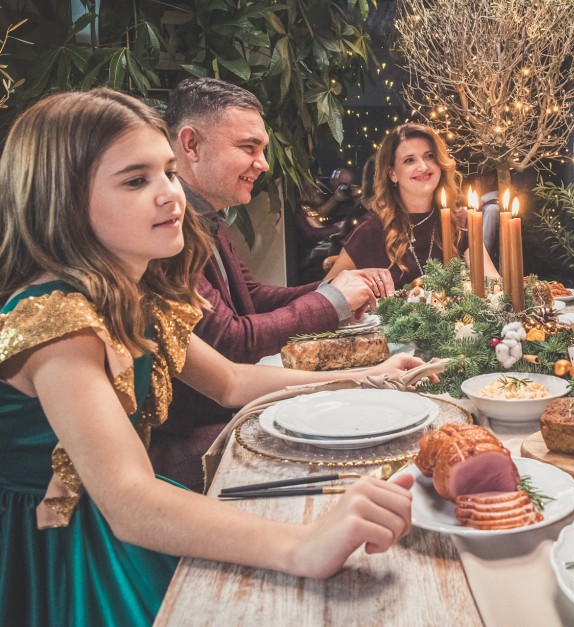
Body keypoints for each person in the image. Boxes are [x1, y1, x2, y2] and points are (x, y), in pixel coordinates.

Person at [0, 89, 423, 626]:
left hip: (119, 519)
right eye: (136, 180)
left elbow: (229, 382)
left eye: (168, 172)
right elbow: (128, 501)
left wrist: (370, 378)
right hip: (64, 552)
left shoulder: (136, 296)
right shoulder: (58, 322)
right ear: (61, 197)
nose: (169, 194)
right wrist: (301, 544)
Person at [156, 78, 396, 489]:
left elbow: (254, 299)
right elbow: (230, 341)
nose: (264, 163)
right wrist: (333, 301)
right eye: (248, 148)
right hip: (195, 436)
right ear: (191, 145)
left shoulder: (209, 218)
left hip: (226, 410)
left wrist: (336, 286)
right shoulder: (168, 233)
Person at [325, 123, 500, 289]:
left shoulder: (461, 222)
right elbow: (328, 291)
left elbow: (493, 285)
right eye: (409, 160)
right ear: (392, 173)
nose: (423, 167)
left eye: (429, 156)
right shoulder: (373, 229)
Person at [296, 167, 366, 282]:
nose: (345, 188)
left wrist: (356, 200)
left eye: (349, 185)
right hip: (316, 258)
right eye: (342, 184)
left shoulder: (352, 201)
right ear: (332, 181)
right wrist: (335, 199)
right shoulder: (324, 194)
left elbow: (360, 219)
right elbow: (316, 222)